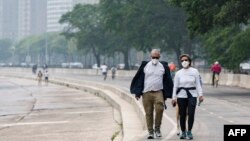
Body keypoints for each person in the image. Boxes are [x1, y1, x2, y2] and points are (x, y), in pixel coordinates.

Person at [130, 49, 173, 139]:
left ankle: (157, 129)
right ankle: (150, 132)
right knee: (148, 113)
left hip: (158, 92)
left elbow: (168, 80)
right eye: (153, 57)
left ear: (159, 57)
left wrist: (169, 94)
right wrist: (138, 93)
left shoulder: (163, 67)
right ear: (151, 56)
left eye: (157, 57)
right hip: (146, 92)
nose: (155, 58)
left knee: (160, 108)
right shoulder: (145, 66)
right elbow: (140, 79)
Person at [171, 54, 204, 140]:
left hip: (192, 95)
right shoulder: (178, 73)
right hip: (181, 95)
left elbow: (198, 84)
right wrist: (174, 98)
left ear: (189, 61)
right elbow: (175, 86)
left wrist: (200, 95)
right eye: (182, 61)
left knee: (191, 114)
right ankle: (183, 132)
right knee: (182, 115)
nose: (184, 62)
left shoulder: (195, 71)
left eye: (186, 60)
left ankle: (189, 131)